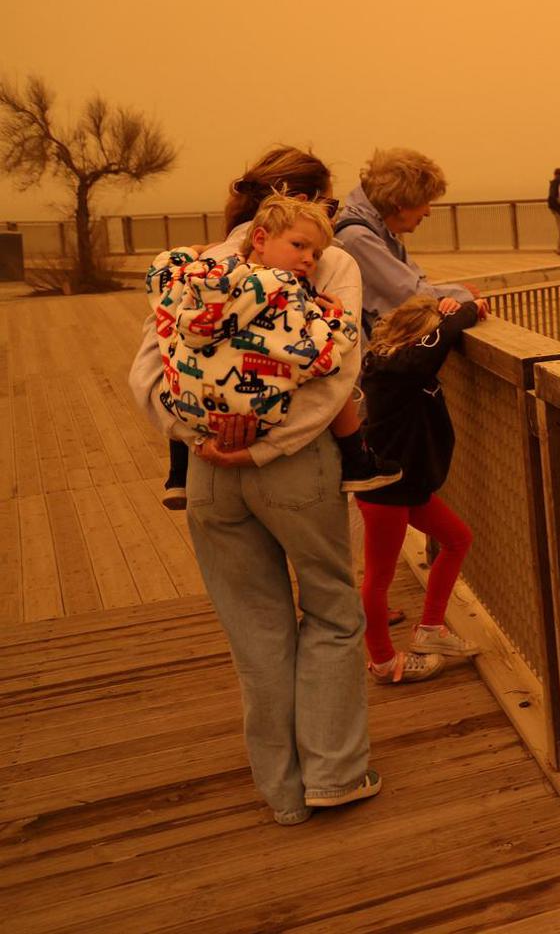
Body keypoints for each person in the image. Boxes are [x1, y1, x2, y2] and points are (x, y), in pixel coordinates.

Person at [127, 146, 378, 826]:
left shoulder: (197, 268)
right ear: (306, 203)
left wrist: (199, 440)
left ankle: (282, 793)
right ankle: (334, 774)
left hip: (207, 474)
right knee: (331, 610)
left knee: (256, 631)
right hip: (293, 469)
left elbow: (144, 377)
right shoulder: (329, 261)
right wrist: (266, 445)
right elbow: (336, 372)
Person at [147, 195, 399, 496]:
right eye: (299, 246)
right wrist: (338, 319)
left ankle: (179, 474)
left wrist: (193, 252)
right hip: (258, 412)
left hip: (192, 413)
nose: (309, 259)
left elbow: (160, 274)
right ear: (260, 239)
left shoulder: (202, 281)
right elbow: (319, 359)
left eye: (317, 254)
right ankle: (358, 461)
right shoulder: (285, 291)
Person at [354, 294, 488, 683]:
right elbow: (438, 341)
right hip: (386, 489)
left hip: (407, 485)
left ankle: (431, 630)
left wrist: (454, 308)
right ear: (418, 337)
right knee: (378, 578)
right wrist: (467, 309)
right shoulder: (398, 367)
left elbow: (434, 344)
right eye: (428, 337)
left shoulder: (399, 364)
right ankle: (382, 661)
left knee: (458, 538)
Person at [332, 148, 481, 340]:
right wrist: (464, 294)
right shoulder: (357, 238)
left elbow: (415, 284)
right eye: (425, 201)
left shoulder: (374, 230)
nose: (428, 212)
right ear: (399, 203)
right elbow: (410, 298)